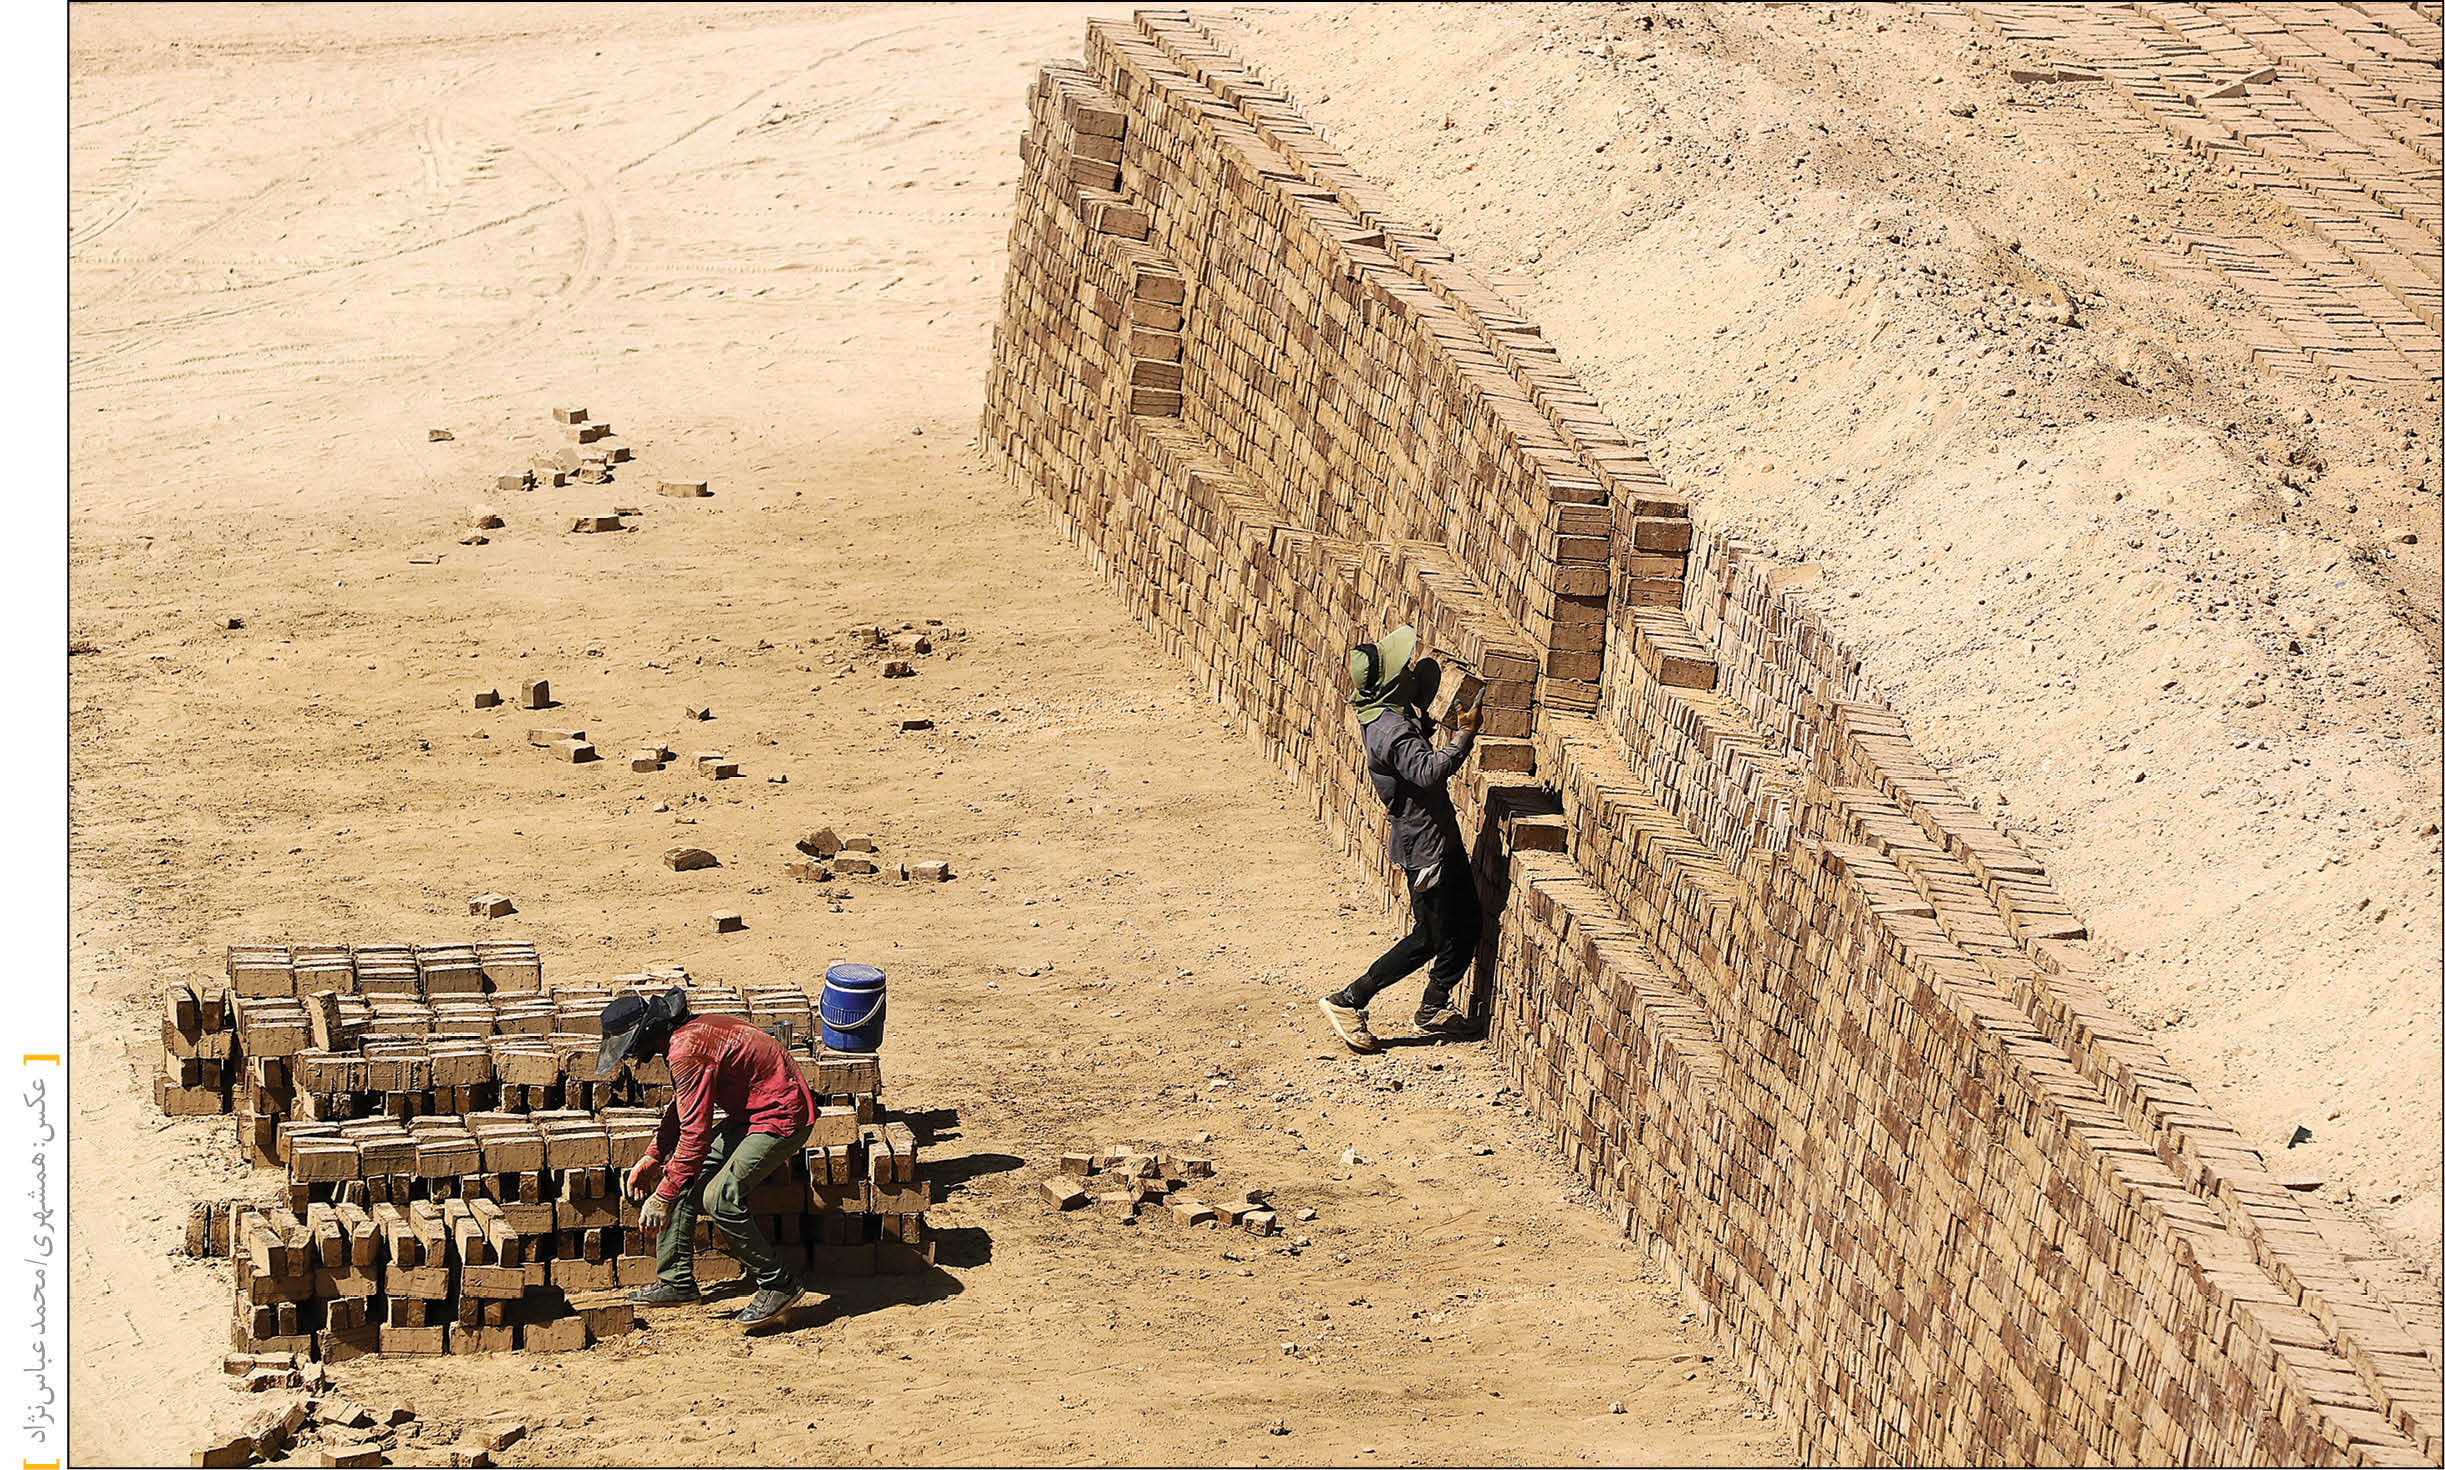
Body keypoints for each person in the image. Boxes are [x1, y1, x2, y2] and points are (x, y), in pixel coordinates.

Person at [597, 987, 815, 1327]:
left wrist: (661, 1197)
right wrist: (654, 1155)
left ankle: (778, 1284)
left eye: (630, 1046)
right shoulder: (685, 1039)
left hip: (782, 1115)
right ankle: (676, 1282)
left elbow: (695, 1136)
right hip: (749, 1114)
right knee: (680, 1175)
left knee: (719, 1197)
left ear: (648, 1034)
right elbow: (683, 1108)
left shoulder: (686, 1051)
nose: (629, 1056)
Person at [1318, 624, 1484, 1053]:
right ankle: (1349, 1001)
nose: (1410, 670)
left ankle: (1433, 1005)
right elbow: (1428, 771)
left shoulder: (1384, 716)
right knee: (1428, 937)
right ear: (1390, 685)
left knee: (1467, 922)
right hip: (1426, 847)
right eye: (1403, 669)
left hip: (1438, 838)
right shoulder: (1392, 731)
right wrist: (1464, 735)